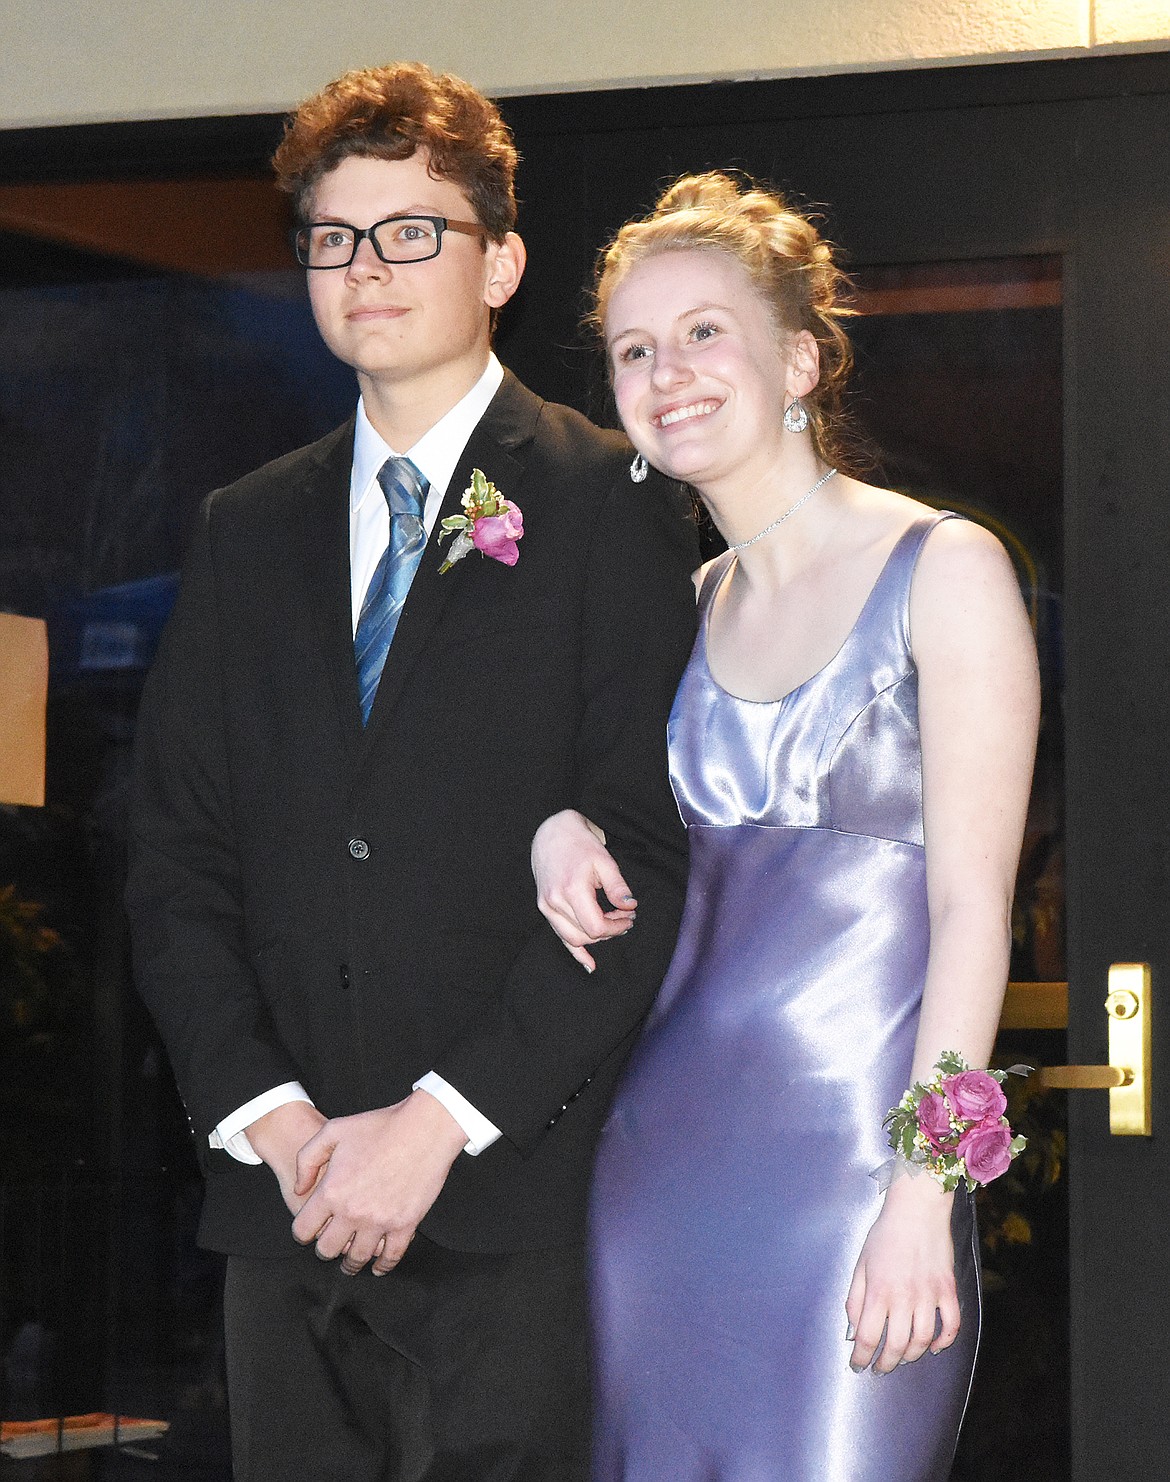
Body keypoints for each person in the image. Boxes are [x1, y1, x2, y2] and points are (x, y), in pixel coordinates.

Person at [125, 62, 698, 1482]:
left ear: (499, 261)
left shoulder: (611, 500)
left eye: (406, 232)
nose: (362, 268)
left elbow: (646, 853)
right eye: (331, 237)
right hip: (284, 1203)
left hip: (510, 1202)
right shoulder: (242, 527)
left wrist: (436, 1122)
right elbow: (177, 857)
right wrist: (277, 1121)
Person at [531, 172, 1040, 1481]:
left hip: (855, 1191)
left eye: (705, 331)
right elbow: (646, 870)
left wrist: (928, 1191)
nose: (666, 370)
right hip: (650, 1183)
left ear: (800, 358)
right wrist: (557, 835)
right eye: (635, 349)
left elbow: (973, 912)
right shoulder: (673, 609)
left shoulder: (945, 569)